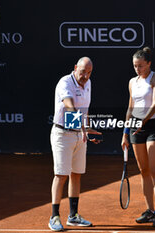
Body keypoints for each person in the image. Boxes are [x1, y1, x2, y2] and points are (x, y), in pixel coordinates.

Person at [49, 57, 101, 232]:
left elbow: (84, 109)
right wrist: (82, 128)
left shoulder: (88, 83)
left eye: (89, 72)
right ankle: (54, 216)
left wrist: (86, 129)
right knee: (61, 175)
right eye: (82, 72)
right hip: (62, 134)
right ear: (75, 68)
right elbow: (70, 106)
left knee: (76, 174)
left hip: (79, 135)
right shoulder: (65, 82)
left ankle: (73, 216)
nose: (85, 76)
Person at [121, 47, 155, 227]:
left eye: (140, 66)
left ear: (149, 63)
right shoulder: (132, 82)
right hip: (135, 128)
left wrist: (143, 121)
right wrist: (125, 133)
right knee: (143, 171)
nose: (137, 69)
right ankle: (149, 210)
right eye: (134, 66)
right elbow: (130, 108)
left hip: (154, 126)